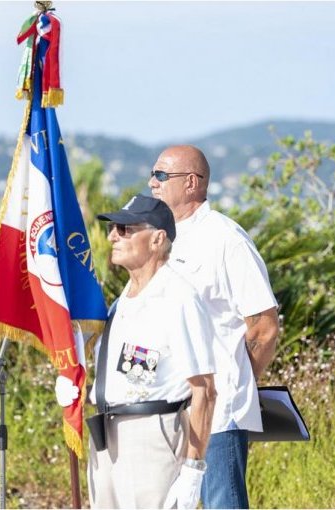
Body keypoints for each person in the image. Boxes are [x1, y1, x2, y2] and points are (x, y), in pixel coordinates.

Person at [149, 145, 280, 509]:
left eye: (160, 175)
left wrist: (235, 383)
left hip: (219, 415)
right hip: (168, 409)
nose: (151, 182)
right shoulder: (161, 239)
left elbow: (264, 326)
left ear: (191, 182)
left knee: (223, 503)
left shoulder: (226, 239)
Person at [76, 194, 217, 509]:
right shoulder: (120, 303)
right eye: (114, 228)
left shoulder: (178, 298)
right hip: (107, 433)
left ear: (157, 238)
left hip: (152, 434)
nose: (113, 236)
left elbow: (204, 390)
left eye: (125, 229)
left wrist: (193, 469)